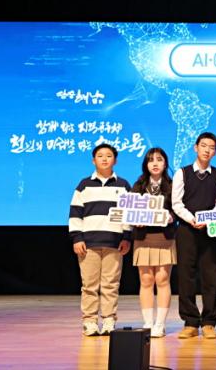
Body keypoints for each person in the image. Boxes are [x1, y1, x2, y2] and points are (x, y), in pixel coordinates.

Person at [69, 143, 131, 336]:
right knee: (89, 284)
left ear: (115, 160)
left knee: (111, 284)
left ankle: (109, 320)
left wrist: (126, 237)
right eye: (100, 156)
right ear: (93, 160)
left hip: (114, 242)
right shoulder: (84, 185)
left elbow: (129, 214)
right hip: (88, 243)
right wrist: (77, 238)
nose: (105, 159)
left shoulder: (123, 185)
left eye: (109, 156)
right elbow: (75, 213)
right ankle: (89, 321)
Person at [171, 132, 216, 339]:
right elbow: (176, 203)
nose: (207, 150)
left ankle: (209, 322)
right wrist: (191, 219)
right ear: (196, 147)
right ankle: (190, 322)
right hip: (187, 229)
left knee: (210, 275)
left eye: (211, 147)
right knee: (186, 275)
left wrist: (208, 220)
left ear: (215, 152)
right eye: (204, 146)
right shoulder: (182, 173)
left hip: (210, 230)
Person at [130, 147, 177, 338]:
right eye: (151, 160)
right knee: (146, 280)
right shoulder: (138, 185)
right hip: (143, 237)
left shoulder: (172, 185)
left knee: (162, 279)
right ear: (146, 165)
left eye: (159, 159)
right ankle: (148, 323)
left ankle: (160, 324)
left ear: (165, 163)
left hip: (164, 237)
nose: (155, 163)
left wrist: (171, 216)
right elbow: (129, 209)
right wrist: (135, 219)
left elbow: (178, 208)